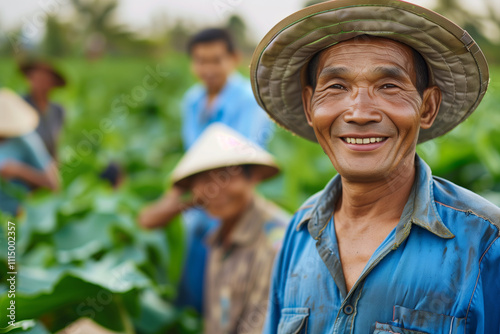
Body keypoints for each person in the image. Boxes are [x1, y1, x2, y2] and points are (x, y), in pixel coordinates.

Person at [249, 0, 499, 333]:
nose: (359, 112)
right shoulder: (298, 235)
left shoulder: (485, 241)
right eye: (337, 86)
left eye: (388, 86)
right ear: (310, 106)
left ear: (427, 107)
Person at [139, 28, 274, 312]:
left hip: (232, 200)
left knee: (233, 287)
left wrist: (180, 203)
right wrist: (174, 197)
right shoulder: (192, 101)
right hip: (201, 203)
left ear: (234, 59)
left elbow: (242, 161)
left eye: (216, 60)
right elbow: (194, 157)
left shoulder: (249, 101)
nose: (208, 69)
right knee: (191, 276)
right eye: (201, 61)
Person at [168, 123, 289, 334]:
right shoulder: (216, 239)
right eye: (204, 179)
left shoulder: (277, 243)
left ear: (251, 177)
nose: (216, 190)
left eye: (227, 176)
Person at [0, 88, 60, 217]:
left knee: (11, 236)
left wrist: (18, 171)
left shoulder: (26, 141)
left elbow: (54, 184)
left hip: (14, 216)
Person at [20, 60, 67, 160]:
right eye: (36, 77)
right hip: (23, 162)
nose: (39, 83)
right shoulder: (20, 105)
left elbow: (55, 144)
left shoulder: (58, 110)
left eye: (44, 79)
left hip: (47, 165)